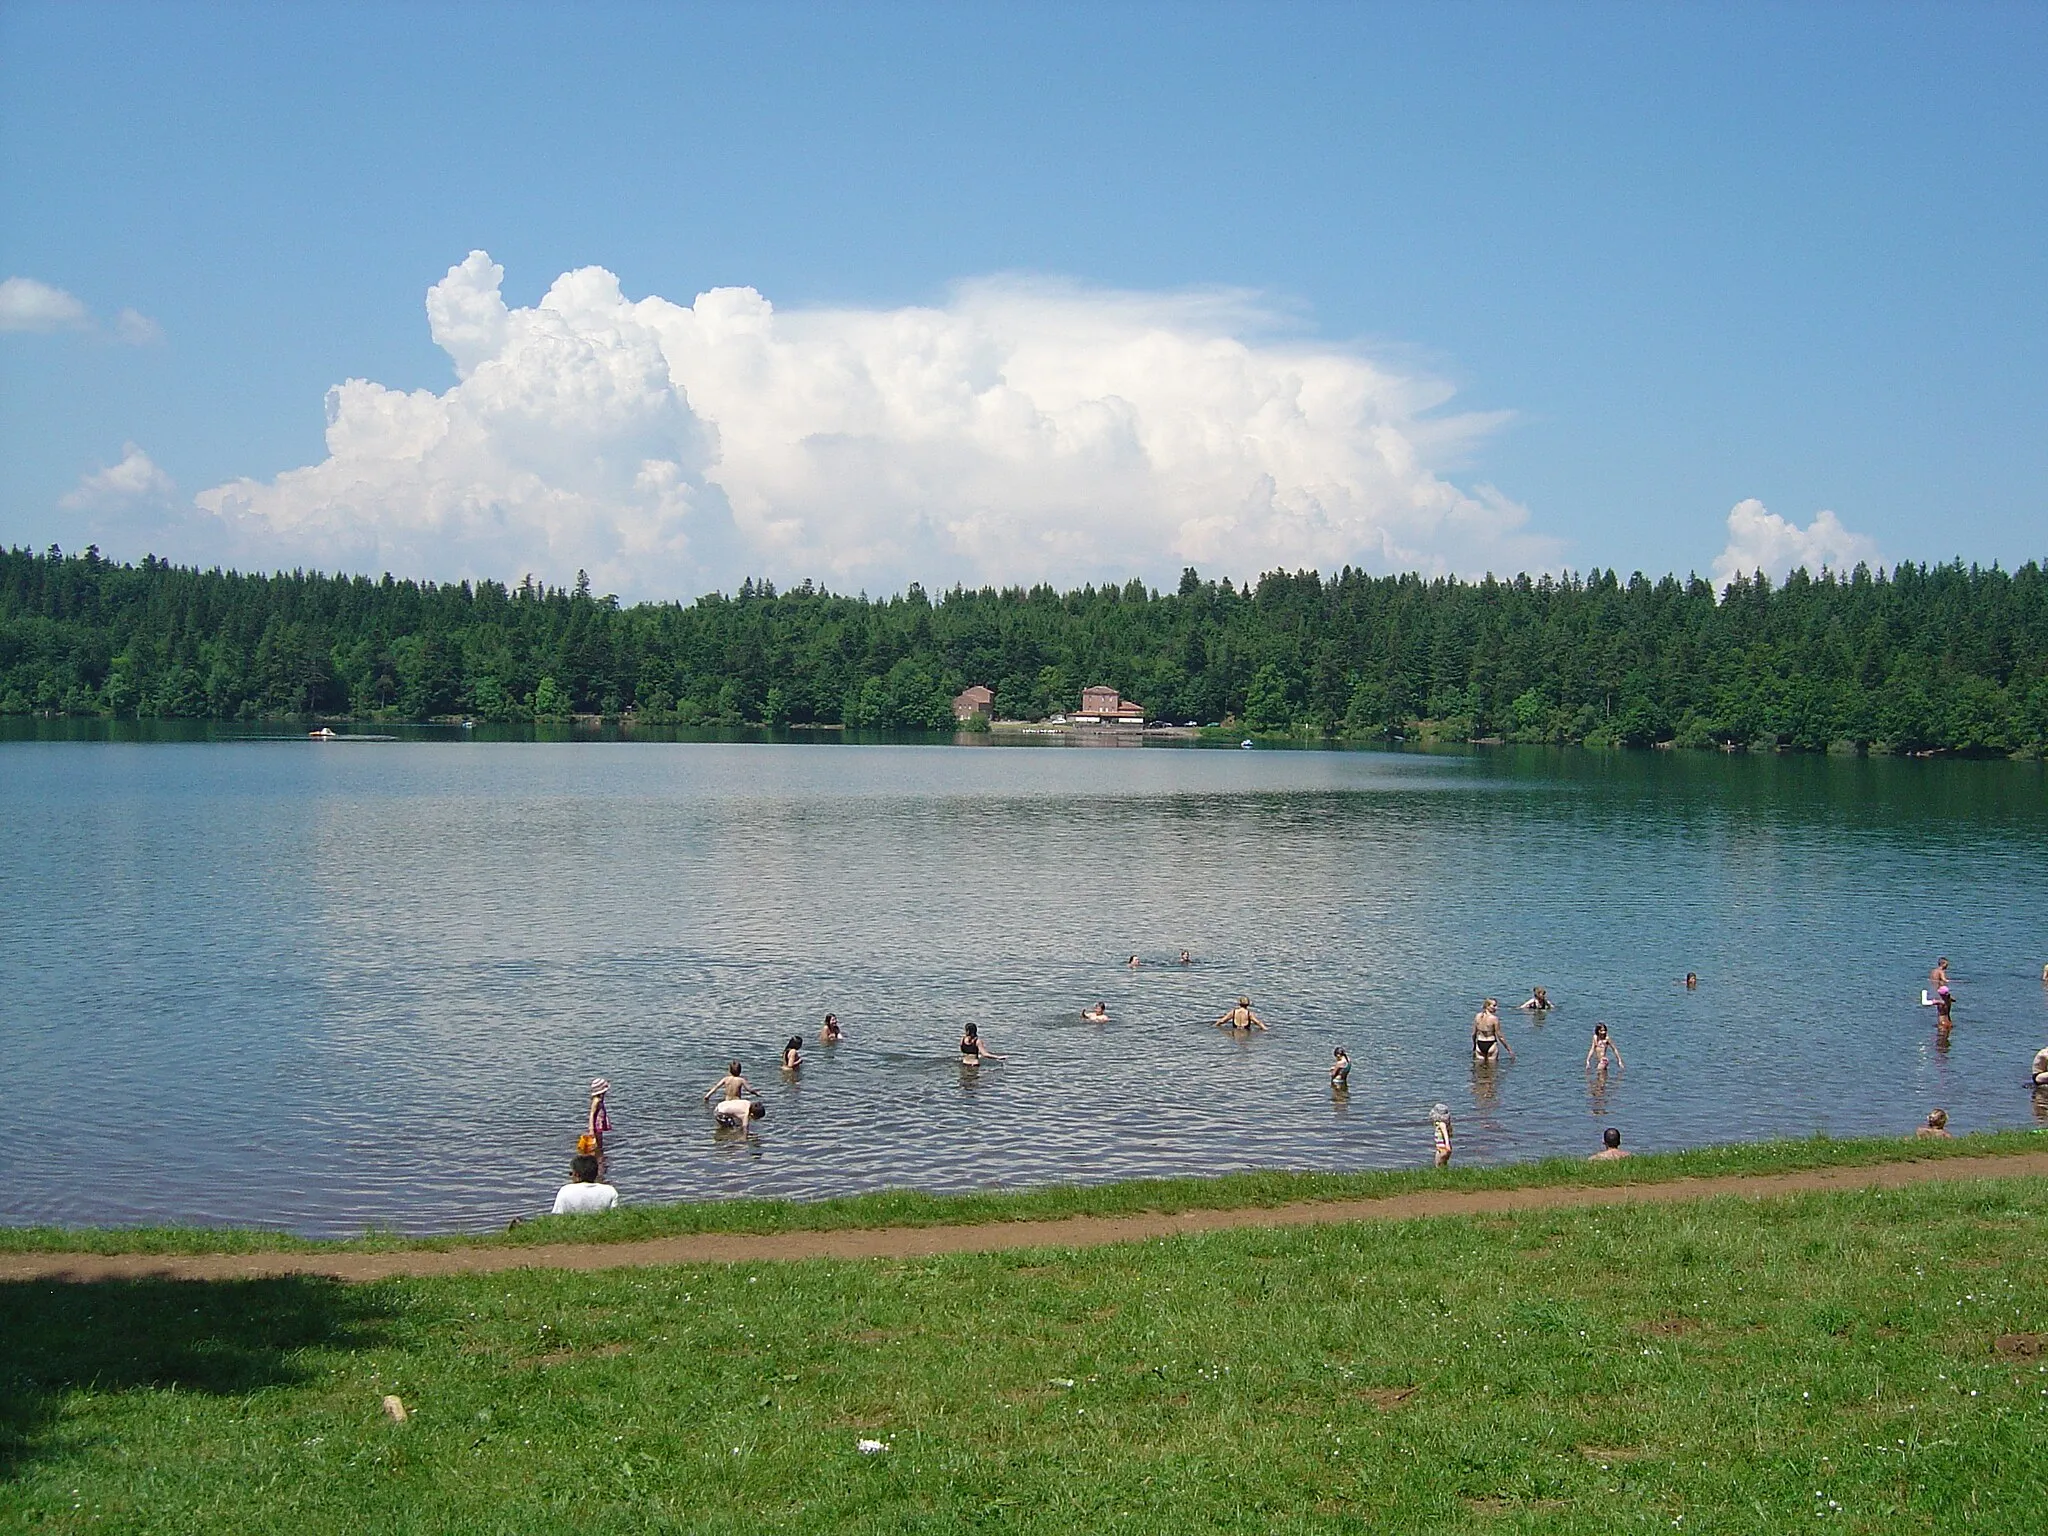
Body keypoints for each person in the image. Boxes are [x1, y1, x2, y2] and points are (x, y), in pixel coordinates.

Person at [551, 1152, 619, 1214]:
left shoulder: (565, 1191)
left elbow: (557, 1216)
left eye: (571, 1173)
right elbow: (614, 1215)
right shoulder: (610, 1191)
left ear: (577, 1175)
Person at [586, 1077, 612, 1168]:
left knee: (600, 1142)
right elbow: (592, 1114)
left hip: (599, 1123)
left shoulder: (600, 1100)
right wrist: (591, 1129)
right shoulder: (596, 1101)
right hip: (596, 1125)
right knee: (597, 1143)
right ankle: (598, 1160)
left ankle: (599, 1157)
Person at [1430, 1103, 1453, 1167]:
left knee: (1438, 1164)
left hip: (1443, 1147)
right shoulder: (1441, 1123)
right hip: (1441, 1146)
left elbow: (1445, 1134)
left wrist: (1447, 1145)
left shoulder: (1442, 1124)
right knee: (1443, 1164)